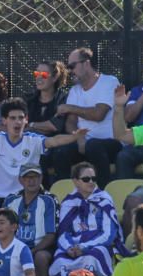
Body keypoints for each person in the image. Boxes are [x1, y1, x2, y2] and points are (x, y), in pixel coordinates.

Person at [50, 47, 121, 186]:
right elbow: (70, 122)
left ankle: (102, 195)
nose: (70, 71)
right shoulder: (74, 90)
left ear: (86, 63)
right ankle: (66, 197)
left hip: (110, 142)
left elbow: (99, 114)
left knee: (93, 146)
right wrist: (78, 137)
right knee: (61, 152)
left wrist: (70, 107)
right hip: (83, 143)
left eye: (72, 66)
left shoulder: (109, 82)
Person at [49, 162, 126, 276]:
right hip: (72, 246)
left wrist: (84, 247)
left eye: (93, 179)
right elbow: (62, 233)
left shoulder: (104, 199)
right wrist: (69, 248)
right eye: (86, 179)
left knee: (93, 257)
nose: (91, 182)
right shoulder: (68, 203)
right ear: (75, 181)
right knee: (59, 261)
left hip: (98, 245)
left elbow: (108, 234)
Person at [3, 163, 58, 276]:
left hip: (41, 247)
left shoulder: (49, 200)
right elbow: (3, 230)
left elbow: (51, 235)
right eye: (27, 177)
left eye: (35, 177)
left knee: (40, 258)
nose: (31, 181)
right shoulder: (10, 200)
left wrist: (30, 251)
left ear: (41, 179)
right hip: (15, 247)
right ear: (21, 180)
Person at [26, 60, 69, 136]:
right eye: (37, 73)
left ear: (55, 77)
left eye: (44, 74)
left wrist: (31, 125)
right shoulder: (28, 99)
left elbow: (55, 126)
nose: (39, 77)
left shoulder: (63, 99)